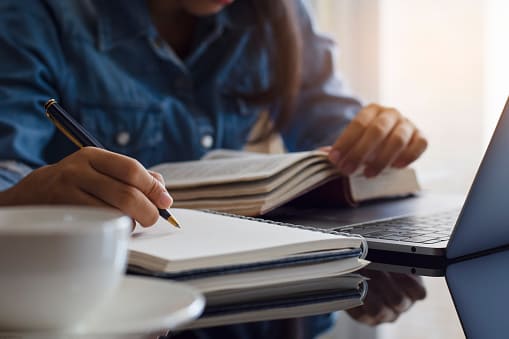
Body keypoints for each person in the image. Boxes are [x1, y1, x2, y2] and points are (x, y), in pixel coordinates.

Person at [0, 0, 427, 336]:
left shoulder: (275, 11)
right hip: (86, 302)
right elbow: (8, 168)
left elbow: (333, 129)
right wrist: (26, 196)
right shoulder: (39, 15)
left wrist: (380, 136)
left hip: (242, 297)